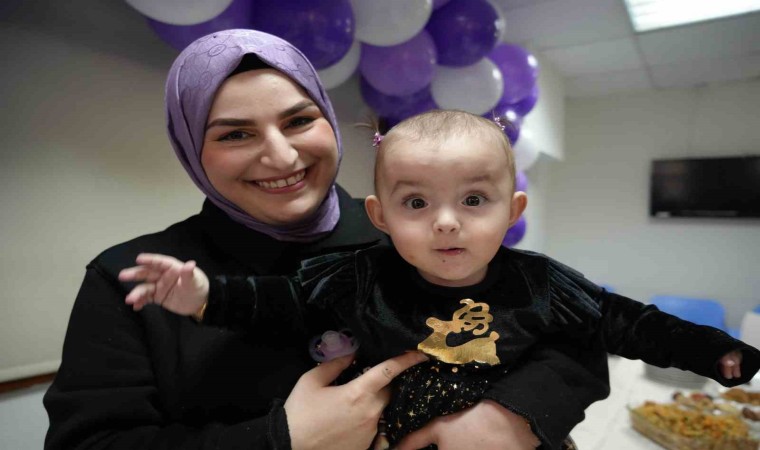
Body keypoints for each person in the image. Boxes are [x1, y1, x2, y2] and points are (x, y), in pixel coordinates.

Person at [43, 30, 611, 450]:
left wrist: (513, 415)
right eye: (236, 134)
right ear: (193, 149)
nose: (281, 156)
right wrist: (281, 439)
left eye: (299, 121)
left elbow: (558, 331)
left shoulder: (408, 231)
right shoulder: (133, 278)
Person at [119, 109, 760, 448]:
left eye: (474, 200)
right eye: (417, 202)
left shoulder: (544, 284)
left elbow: (629, 322)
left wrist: (716, 352)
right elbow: (279, 300)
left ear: (512, 211)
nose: (447, 222)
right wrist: (205, 295)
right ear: (380, 216)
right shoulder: (355, 275)